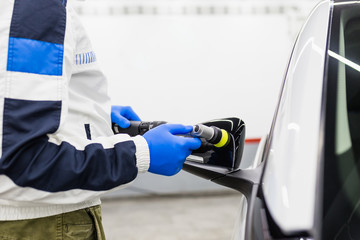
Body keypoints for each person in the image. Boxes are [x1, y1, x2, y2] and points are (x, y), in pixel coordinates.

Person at [0, 0, 201, 239]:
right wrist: (141, 154)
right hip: (41, 226)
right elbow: (23, 160)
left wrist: (88, 112)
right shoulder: (35, 7)